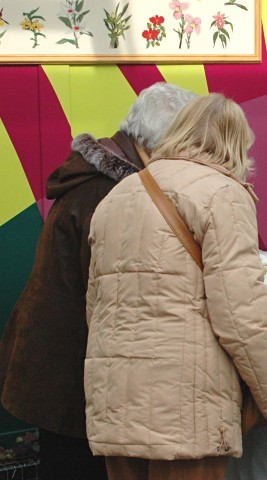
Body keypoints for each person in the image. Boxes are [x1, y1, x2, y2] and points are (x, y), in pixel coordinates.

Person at [84, 93, 267, 480]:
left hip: (115, 403)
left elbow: (95, 306)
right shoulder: (223, 194)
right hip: (185, 409)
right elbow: (242, 316)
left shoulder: (118, 195)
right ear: (236, 144)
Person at [0, 82, 198, 480]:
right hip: (75, 376)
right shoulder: (113, 195)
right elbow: (123, 303)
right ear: (162, 142)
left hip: (57, 366)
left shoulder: (97, 179)